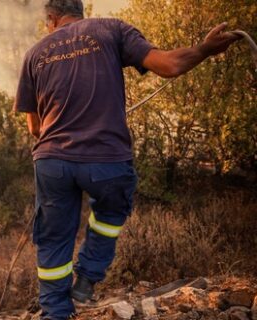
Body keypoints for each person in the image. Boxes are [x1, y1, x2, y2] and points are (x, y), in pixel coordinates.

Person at [14, 1, 240, 319]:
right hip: (106, 160)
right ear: (80, 11)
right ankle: (88, 278)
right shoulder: (110, 29)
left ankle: (56, 313)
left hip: (52, 161)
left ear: (51, 19)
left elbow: (36, 128)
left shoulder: (34, 53)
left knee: (53, 238)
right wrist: (205, 49)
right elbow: (169, 65)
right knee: (109, 214)